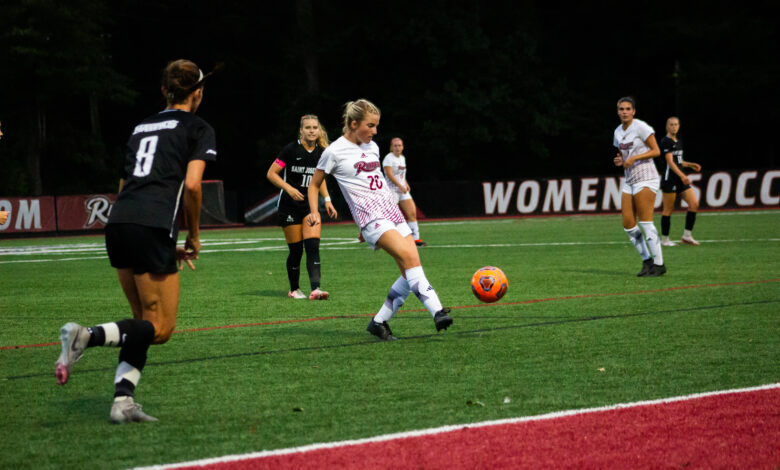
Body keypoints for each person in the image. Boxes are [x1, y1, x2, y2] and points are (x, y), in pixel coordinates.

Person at [54, 59, 218, 423]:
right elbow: (192, 185)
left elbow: (125, 185)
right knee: (159, 330)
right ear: (199, 92)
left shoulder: (141, 126)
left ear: (164, 90)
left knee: (141, 324)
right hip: (152, 224)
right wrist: (192, 234)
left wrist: (157, 239)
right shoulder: (198, 127)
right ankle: (85, 336)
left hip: (120, 223)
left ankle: (122, 401)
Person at [306, 99, 452, 340]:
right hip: (371, 216)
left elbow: (377, 182)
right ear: (353, 124)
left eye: (376, 126)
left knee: (409, 270)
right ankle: (437, 311)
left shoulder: (372, 147)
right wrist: (314, 211)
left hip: (391, 211)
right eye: (370, 126)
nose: (375, 132)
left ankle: (379, 322)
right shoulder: (334, 151)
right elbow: (314, 185)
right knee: (410, 257)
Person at [267, 115, 337, 300]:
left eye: (315, 127)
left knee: (313, 246)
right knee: (296, 250)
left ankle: (316, 289)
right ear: (301, 130)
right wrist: (289, 189)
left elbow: (318, 180)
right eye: (308, 127)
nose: (312, 130)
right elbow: (271, 173)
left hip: (310, 206)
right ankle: (294, 289)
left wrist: (327, 199)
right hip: (289, 207)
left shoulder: (322, 153)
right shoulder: (290, 150)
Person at [613, 96, 666, 277]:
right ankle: (647, 261)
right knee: (628, 224)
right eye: (621, 109)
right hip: (629, 180)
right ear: (618, 111)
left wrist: (634, 158)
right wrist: (620, 160)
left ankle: (659, 264)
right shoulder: (618, 131)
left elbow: (656, 151)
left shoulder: (641, 127)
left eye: (628, 109)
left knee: (645, 221)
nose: (625, 112)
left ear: (634, 111)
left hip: (646, 177)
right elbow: (622, 154)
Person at [659, 116, 702, 246]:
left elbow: (678, 161)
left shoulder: (678, 140)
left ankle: (687, 236)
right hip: (670, 179)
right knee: (668, 209)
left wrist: (689, 165)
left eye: (676, 124)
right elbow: (670, 162)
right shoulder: (666, 141)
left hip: (679, 179)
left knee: (694, 204)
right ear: (667, 127)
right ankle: (665, 239)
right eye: (671, 124)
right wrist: (683, 176)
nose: (674, 127)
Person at [383, 137, 425, 246]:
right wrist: (399, 185)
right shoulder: (388, 158)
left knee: (412, 213)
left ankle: (415, 239)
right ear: (391, 147)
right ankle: (387, 239)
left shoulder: (402, 158)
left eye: (399, 145)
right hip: (391, 189)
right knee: (391, 216)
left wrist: (405, 183)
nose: (397, 147)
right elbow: (389, 174)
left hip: (402, 189)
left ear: (403, 147)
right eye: (395, 145)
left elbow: (401, 174)